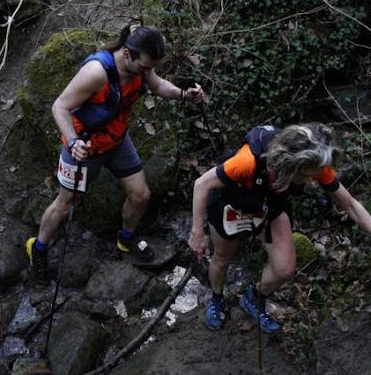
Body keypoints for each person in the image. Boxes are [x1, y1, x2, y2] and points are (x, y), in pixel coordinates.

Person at [27, 24, 204, 282]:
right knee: (65, 205)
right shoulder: (96, 73)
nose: (148, 72)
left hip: (117, 141)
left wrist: (183, 95)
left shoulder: (142, 65)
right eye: (145, 67)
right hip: (84, 146)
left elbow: (158, 86)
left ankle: (126, 240)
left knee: (141, 195)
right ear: (127, 54)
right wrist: (74, 142)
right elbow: (60, 106)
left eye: (151, 68)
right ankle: (38, 248)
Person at [188, 123, 371, 332]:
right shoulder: (247, 161)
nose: (312, 182)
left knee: (285, 268)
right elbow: (202, 184)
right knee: (222, 257)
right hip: (232, 202)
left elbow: (350, 205)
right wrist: (197, 233)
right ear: (290, 165)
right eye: (306, 177)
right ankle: (217, 299)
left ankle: (254, 298)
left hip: (270, 206)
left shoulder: (317, 163)